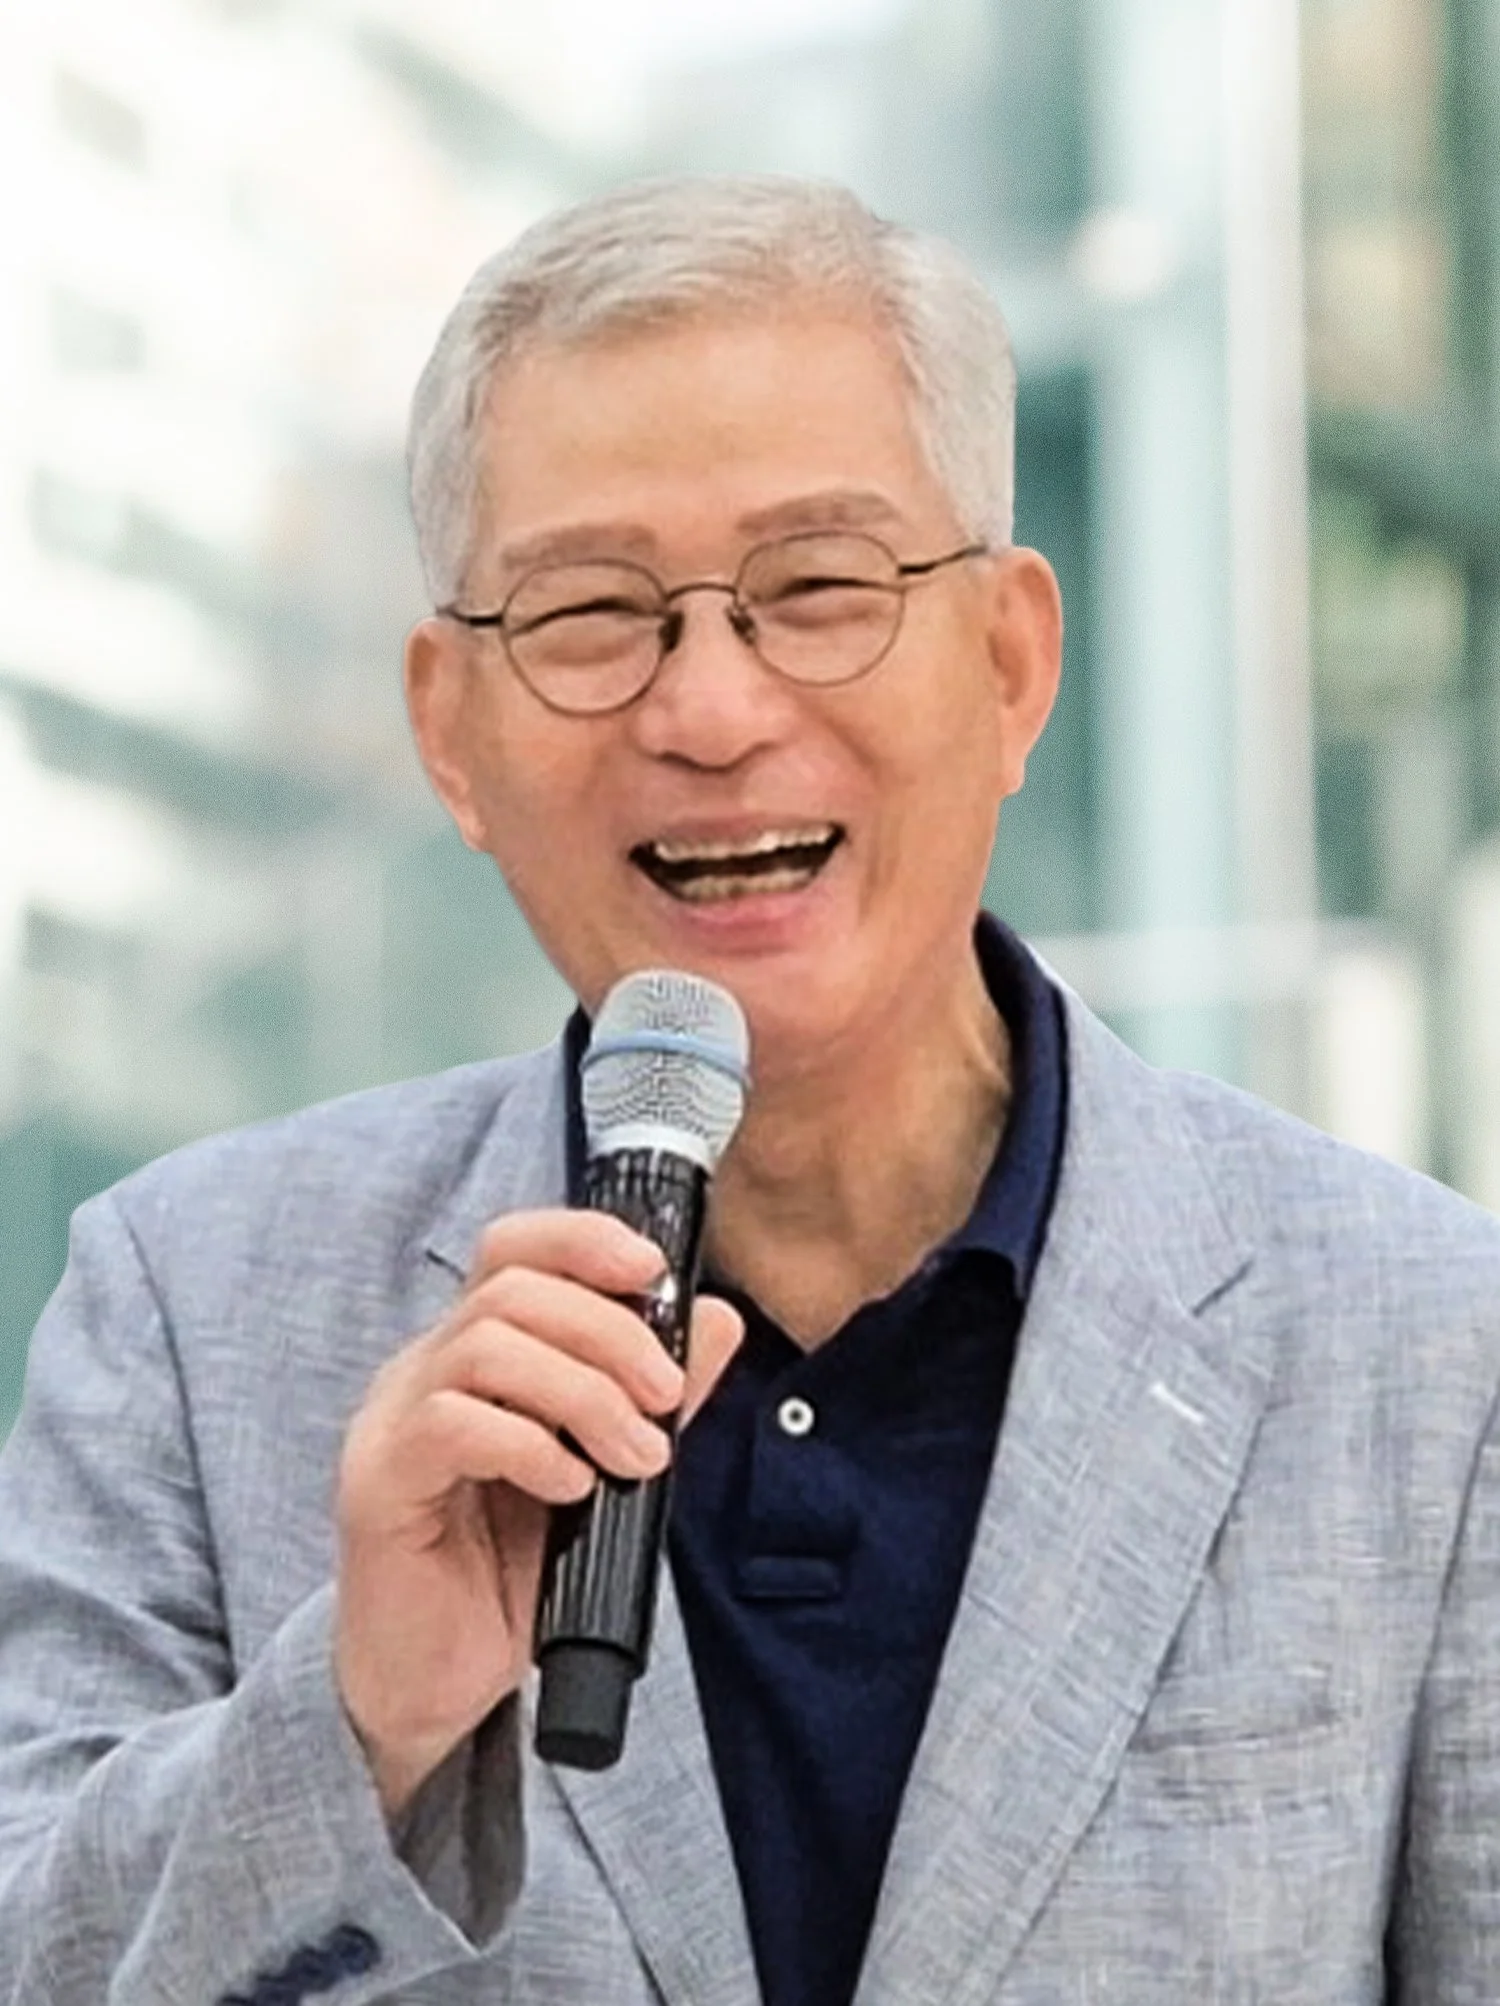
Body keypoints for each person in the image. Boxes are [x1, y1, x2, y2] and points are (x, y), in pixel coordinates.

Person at [1, 174, 1498, 2006]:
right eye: (589, 613)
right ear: (449, 732)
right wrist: (362, 1717)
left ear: (1015, 663)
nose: (709, 710)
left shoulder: (1430, 1347)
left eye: (816, 588)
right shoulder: (185, 1303)